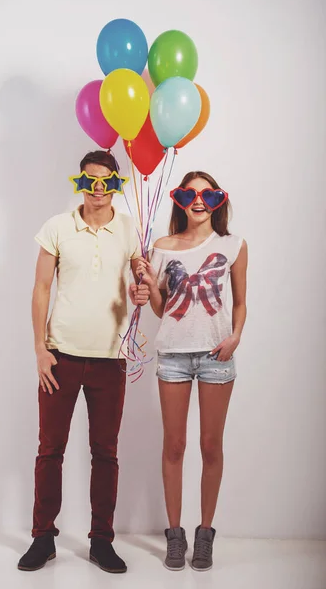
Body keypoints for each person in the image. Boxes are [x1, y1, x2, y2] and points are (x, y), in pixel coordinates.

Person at [18, 150, 149, 574]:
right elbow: (41, 289)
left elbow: (139, 282)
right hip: (61, 356)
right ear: (80, 182)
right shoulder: (57, 227)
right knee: (49, 449)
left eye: (107, 182)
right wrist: (40, 348)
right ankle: (43, 537)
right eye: (90, 181)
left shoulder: (128, 229)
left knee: (105, 453)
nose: (98, 189)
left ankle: (101, 541)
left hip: (111, 358)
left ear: (116, 184)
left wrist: (140, 292)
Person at [137, 171, 247, 572]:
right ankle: (174, 535)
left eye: (207, 194)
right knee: (174, 446)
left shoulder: (233, 245)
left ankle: (205, 534)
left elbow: (239, 302)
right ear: (180, 200)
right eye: (189, 193)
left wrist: (235, 336)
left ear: (218, 200)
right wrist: (150, 285)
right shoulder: (162, 247)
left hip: (217, 357)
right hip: (174, 356)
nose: (198, 200)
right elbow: (162, 309)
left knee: (211, 446)